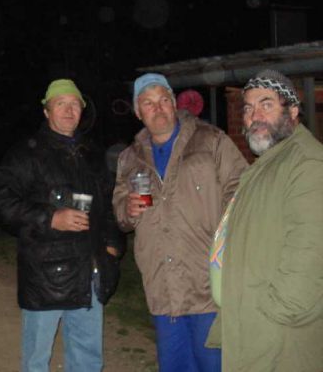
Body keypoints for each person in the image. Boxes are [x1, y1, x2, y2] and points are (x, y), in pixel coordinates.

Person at [112, 73, 247, 372]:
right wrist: (128, 209)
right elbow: (120, 215)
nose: (157, 108)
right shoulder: (129, 158)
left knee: (214, 364)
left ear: (174, 104)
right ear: (138, 112)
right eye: (148, 103)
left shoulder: (211, 140)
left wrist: (227, 241)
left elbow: (241, 189)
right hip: (163, 287)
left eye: (163, 100)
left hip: (207, 283)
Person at [0, 79, 124, 372]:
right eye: (60, 104)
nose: (68, 110)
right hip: (44, 278)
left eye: (74, 104)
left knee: (88, 360)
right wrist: (50, 218)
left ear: (82, 111)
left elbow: (109, 205)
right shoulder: (26, 154)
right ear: (46, 111)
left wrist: (112, 248)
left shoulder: (92, 155)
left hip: (90, 274)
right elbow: (0, 203)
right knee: (37, 361)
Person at [206, 69, 323, 371]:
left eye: (266, 104)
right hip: (254, 323)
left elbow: (311, 253)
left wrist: (271, 312)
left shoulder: (307, 163)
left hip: (278, 335)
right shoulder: (268, 163)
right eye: (248, 108)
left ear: (292, 111)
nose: (254, 116)